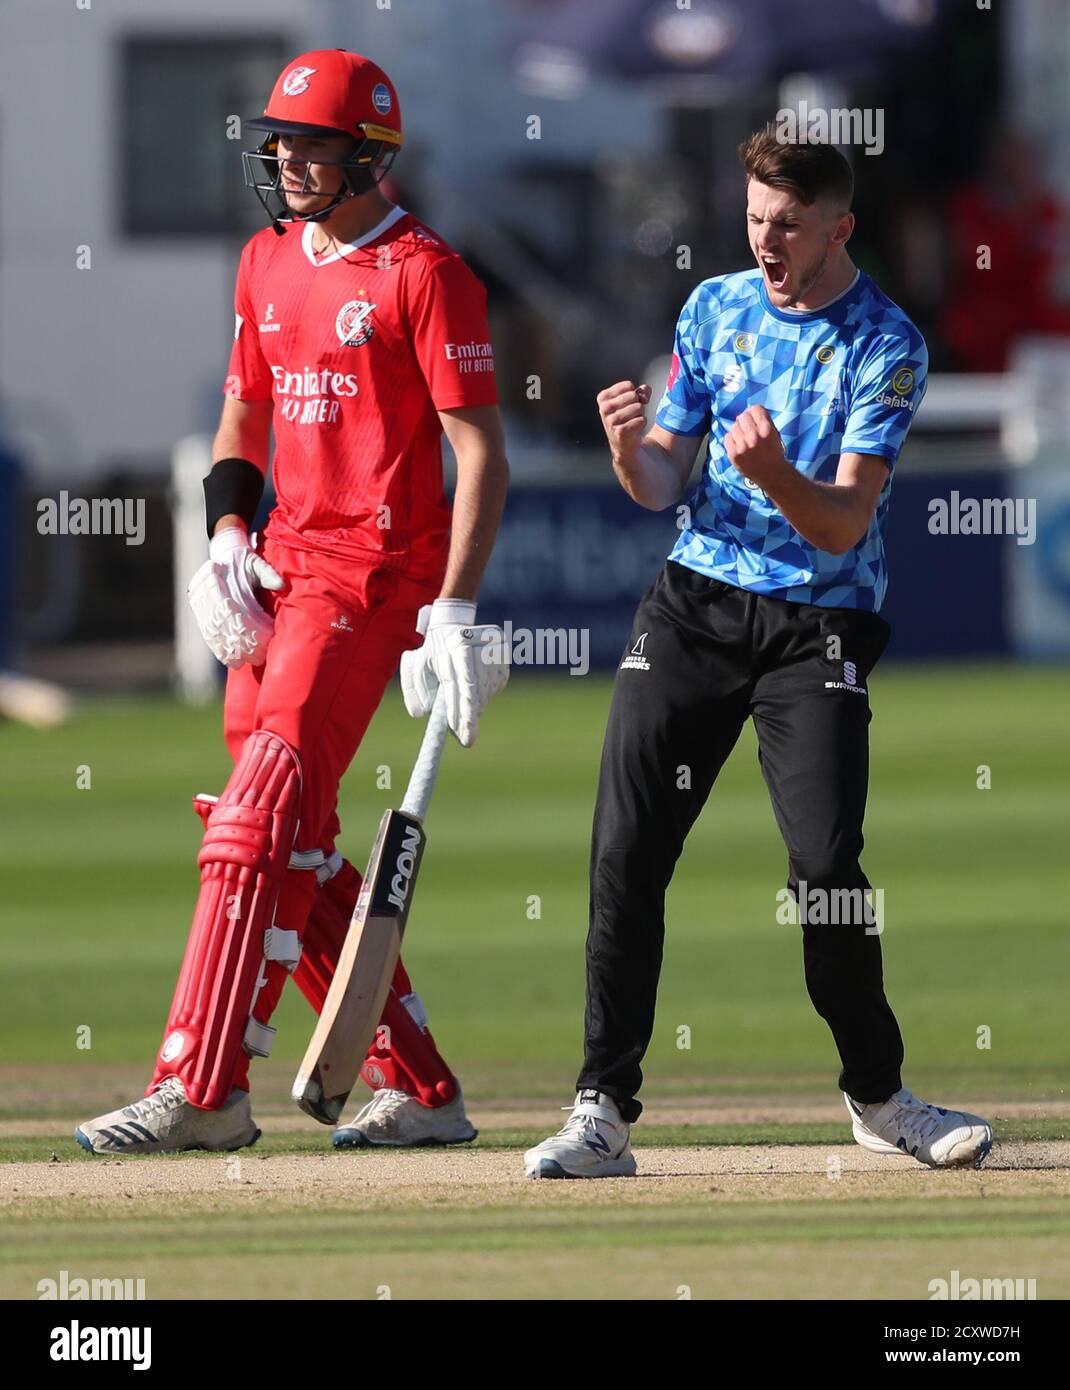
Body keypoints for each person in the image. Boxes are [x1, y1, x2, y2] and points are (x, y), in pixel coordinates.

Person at [525, 126, 993, 1179]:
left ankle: (877, 1097)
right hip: (691, 608)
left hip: (814, 626)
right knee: (625, 851)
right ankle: (600, 1106)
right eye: (751, 220)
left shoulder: (885, 343)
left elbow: (838, 524)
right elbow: (661, 485)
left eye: (786, 224)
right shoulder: (713, 309)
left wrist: (778, 475)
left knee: (824, 870)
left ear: (839, 225)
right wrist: (624, 447)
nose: (765, 241)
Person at [77, 49, 509, 1155]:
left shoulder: (424, 272)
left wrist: (452, 609)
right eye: (277, 141)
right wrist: (227, 537)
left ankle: (204, 1088)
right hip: (278, 573)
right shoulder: (266, 261)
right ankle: (418, 1085)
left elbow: (481, 456)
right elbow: (243, 421)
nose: (284, 159)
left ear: (367, 155)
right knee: (296, 841)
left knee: (254, 819)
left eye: (308, 143)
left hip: (371, 582)